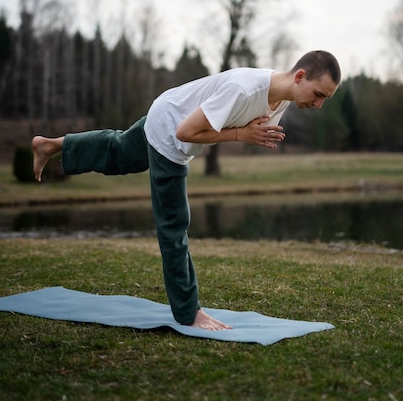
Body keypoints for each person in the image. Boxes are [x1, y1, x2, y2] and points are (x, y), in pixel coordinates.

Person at [32, 49, 341, 331]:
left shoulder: (281, 98)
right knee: (174, 226)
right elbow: (186, 132)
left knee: (118, 151)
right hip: (171, 132)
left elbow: (238, 125)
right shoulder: (246, 89)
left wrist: (247, 134)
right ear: (300, 76)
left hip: (166, 108)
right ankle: (188, 312)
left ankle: (51, 145)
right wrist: (240, 135)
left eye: (324, 99)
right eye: (317, 94)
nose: (318, 104)